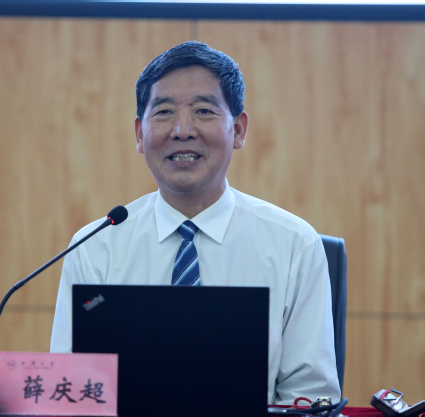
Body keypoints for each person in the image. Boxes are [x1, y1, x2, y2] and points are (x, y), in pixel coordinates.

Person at [50, 41, 341, 405]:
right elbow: (69, 393)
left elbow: (310, 398)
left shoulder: (294, 244)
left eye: (203, 111)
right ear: (140, 134)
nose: (182, 129)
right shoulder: (96, 246)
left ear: (238, 130)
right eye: (164, 112)